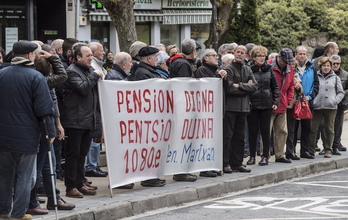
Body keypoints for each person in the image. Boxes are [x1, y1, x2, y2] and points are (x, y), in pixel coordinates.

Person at [0, 41, 56, 220]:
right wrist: (51, 132)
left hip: (3, 135)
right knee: (25, 177)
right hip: (27, 136)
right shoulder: (36, 77)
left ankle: (3, 210)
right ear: (30, 55)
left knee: (5, 175)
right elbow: (44, 109)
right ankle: (18, 214)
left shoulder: (2, 73)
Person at [27, 48, 75, 215]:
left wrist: (58, 123)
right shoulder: (40, 79)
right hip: (41, 130)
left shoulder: (45, 81)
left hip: (48, 128)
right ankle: (32, 202)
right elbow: (63, 75)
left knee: (49, 166)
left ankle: (53, 198)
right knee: (38, 168)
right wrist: (54, 58)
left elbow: (53, 101)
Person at [61, 43, 104, 198]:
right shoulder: (71, 72)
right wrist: (94, 76)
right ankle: (71, 186)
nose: (91, 58)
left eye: (92, 55)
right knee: (73, 155)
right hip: (75, 121)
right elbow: (83, 88)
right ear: (78, 57)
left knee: (82, 154)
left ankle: (80, 182)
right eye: (88, 56)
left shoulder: (88, 70)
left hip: (87, 119)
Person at [130, 46, 167, 187]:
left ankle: (152, 176)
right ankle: (148, 177)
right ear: (150, 59)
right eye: (155, 57)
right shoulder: (143, 73)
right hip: (148, 117)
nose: (157, 59)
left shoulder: (148, 71)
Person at [167, 39, 200, 182]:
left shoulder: (176, 62)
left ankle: (181, 171)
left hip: (178, 107)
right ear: (193, 51)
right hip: (183, 108)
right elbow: (185, 87)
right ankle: (181, 172)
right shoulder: (184, 64)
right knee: (184, 140)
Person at [223, 45, 258, 173]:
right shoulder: (229, 69)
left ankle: (237, 163)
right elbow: (230, 88)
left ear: (245, 55)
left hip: (243, 108)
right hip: (230, 108)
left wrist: (240, 86)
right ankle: (225, 163)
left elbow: (255, 86)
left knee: (240, 137)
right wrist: (246, 88)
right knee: (228, 136)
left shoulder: (247, 69)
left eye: (242, 53)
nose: (239, 54)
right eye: (237, 52)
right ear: (234, 53)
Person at [194, 49, 227, 176]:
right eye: (213, 56)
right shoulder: (202, 70)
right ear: (205, 58)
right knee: (205, 140)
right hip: (206, 111)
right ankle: (205, 168)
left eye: (216, 55)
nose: (216, 57)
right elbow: (208, 86)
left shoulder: (215, 71)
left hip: (216, 110)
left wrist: (223, 77)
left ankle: (212, 164)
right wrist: (219, 76)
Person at [246, 46, 279, 166]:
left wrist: (275, 102)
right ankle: (252, 156)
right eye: (259, 56)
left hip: (266, 103)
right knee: (252, 132)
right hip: (252, 104)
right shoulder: (248, 69)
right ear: (254, 57)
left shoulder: (269, 69)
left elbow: (275, 87)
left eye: (263, 56)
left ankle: (265, 156)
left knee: (265, 131)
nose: (261, 58)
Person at [286, 46, 319, 160]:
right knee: (293, 128)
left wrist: (309, 97)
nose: (302, 56)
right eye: (300, 54)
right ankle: (291, 151)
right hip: (294, 102)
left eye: (304, 54)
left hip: (307, 102)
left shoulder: (312, 67)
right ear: (296, 54)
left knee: (307, 128)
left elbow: (316, 85)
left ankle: (304, 150)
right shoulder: (291, 67)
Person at [308, 57, 344, 158]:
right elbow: (312, 88)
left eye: (328, 65)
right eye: (324, 65)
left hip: (331, 107)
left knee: (329, 128)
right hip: (317, 106)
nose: (326, 67)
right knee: (313, 128)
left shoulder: (335, 77)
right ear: (320, 66)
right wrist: (313, 101)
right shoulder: (316, 76)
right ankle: (311, 150)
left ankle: (328, 149)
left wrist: (335, 101)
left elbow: (341, 92)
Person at [84, 42, 108, 178]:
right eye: (101, 51)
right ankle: (91, 166)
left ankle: (94, 165)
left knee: (97, 137)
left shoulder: (99, 66)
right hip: (95, 106)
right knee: (94, 138)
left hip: (99, 105)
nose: (103, 53)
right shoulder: (93, 67)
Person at [267, 48, 295, 164]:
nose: (285, 63)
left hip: (282, 103)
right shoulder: (268, 65)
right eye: (284, 61)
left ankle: (279, 155)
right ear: (279, 57)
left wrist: (288, 100)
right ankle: (265, 155)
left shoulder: (290, 68)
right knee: (266, 130)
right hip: (269, 103)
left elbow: (291, 85)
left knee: (282, 131)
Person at [331, 55, 348, 154]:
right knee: (327, 125)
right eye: (334, 63)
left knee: (338, 125)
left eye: (338, 63)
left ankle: (336, 144)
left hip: (340, 102)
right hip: (328, 102)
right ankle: (328, 146)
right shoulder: (326, 73)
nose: (336, 65)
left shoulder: (345, 74)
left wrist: (341, 93)